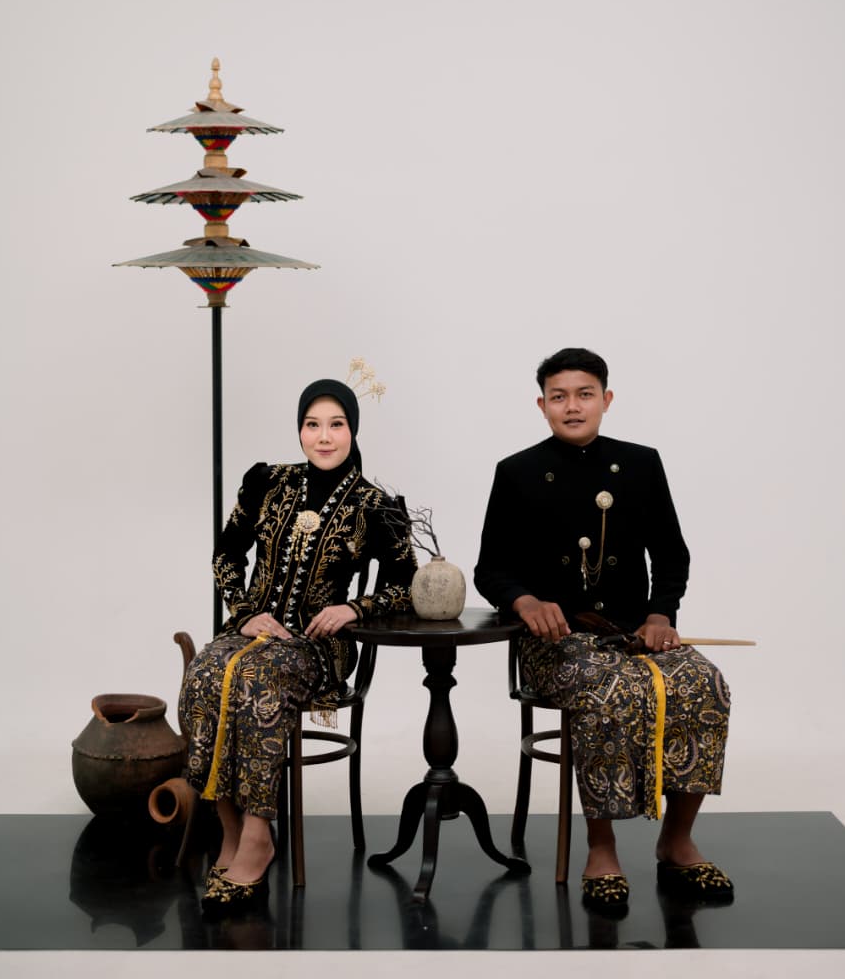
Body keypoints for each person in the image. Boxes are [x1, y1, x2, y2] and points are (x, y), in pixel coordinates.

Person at [474, 348, 732, 911]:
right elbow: (490, 568)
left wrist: (661, 615)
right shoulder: (515, 471)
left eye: (584, 394)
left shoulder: (641, 463)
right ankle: (602, 846)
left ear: (606, 400)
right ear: (542, 405)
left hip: (635, 632)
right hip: (554, 642)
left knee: (704, 682)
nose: (572, 406)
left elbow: (672, 555)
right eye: (559, 397)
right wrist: (524, 601)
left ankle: (677, 840)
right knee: (606, 688)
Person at [180, 378, 417, 915]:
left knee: (259, 679)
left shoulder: (374, 506)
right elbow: (226, 554)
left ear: (353, 430)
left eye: (336, 425)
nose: (324, 437)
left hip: (318, 647)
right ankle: (229, 827)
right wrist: (245, 613)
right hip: (250, 634)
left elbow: (408, 584)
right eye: (312, 425)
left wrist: (355, 609)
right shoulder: (267, 482)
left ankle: (258, 835)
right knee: (204, 673)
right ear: (300, 430)